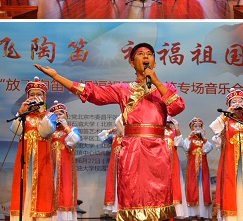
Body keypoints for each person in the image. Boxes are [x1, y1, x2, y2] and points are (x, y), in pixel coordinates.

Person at [34, 42, 186, 221]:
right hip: (132, 150)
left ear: (154, 62)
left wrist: (156, 82)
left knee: (159, 200)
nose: (145, 56)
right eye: (140, 54)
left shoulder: (165, 88)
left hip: (158, 151)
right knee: (132, 198)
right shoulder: (123, 90)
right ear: (132, 63)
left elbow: (177, 107)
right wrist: (56, 76)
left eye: (149, 54)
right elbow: (92, 93)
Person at [209, 88, 243, 221]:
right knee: (231, 187)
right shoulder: (226, 122)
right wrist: (226, 113)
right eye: (233, 102)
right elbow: (213, 127)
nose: (237, 104)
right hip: (230, 161)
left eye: (240, 101)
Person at [9, 77, 57, 221]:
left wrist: (42, 113)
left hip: (41, 159)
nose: (35, 97)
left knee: (42, 186)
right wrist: (21, 111)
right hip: (24, 158)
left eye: (39, 94)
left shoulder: (49, 116)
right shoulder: (24, 115)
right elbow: (16, 130)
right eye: (32, 94)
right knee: (22, 186)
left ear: (44, 97)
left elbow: (46, 131)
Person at [49, 100, 81, 221]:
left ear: (65, 115)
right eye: (56, 115)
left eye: (61, 114)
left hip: (65, 167)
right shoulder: (50, 132)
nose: (58, 117)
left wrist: (66, 127)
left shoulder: (72, 129)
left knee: (65, 190)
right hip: (51, 166)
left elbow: (75, 140)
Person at [183, 118, 213, 220]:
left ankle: (204, 214)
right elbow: (185, 147)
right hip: (192, 168)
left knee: (204, 188)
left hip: (203, 169)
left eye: (199, 126)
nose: (197, 128)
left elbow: (209, 148)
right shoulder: (189, 140)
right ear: (192, 128)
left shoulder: (203, 141)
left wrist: (204, 137)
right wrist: (189, 136)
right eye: (195, 126)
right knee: (192, 188)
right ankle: (193, 214)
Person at [98, 115, 124, 216]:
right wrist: (110, 131)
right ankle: (116, 209)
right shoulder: (114, 137)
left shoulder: (130, 138)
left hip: (126, 168)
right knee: (115, 186)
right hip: (115, 167)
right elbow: (101, 136)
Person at [165, 117, 188, 219]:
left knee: (174, 183)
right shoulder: (157, 130)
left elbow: (179, 143)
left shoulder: (173, 132)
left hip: (173, 161)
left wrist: (177, 127)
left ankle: (174, 211)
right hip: (160, 160)